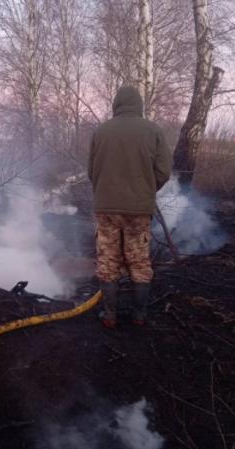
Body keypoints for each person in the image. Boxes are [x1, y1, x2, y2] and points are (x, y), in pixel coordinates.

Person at [88, 86, 172, 328]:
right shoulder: (153, 130)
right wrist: (145, 191)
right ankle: (139, 316)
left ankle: (110, 316)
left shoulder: (100, 131)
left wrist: (106, 194)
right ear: (139, 105)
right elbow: (164, 171)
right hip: (139, 209)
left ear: (116, 104)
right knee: (139, 261)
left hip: (107, 209)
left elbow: (92, 171)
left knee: (108, 260)